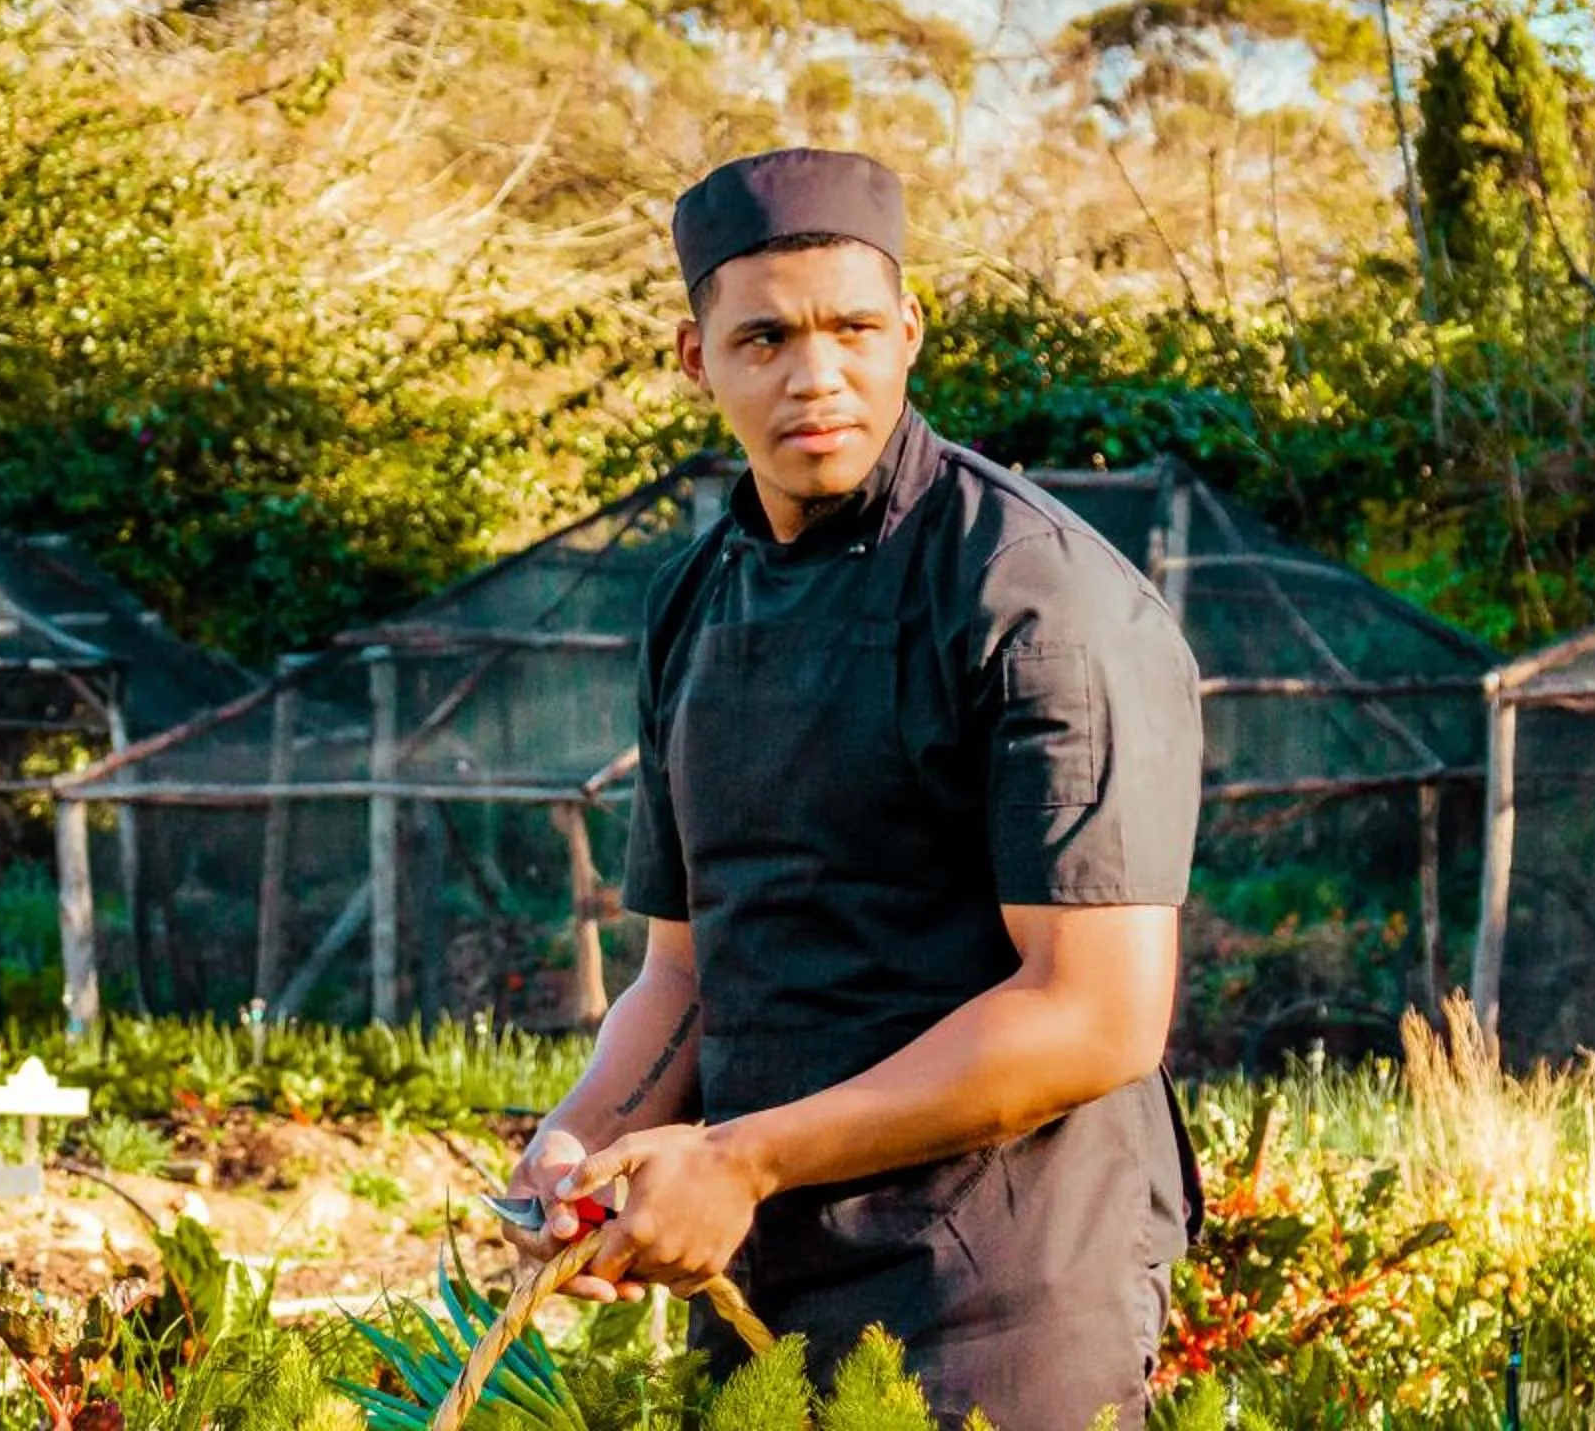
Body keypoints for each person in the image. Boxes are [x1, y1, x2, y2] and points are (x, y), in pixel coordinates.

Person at [507, 148, 1203, 1428]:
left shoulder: (1037, 596)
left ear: (911, 331)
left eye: (854, 329)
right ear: (697, 357)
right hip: (761, 1272)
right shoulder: (694, 601)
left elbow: (1098, 1012)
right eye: (765, 337)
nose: (816, 374)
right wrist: (579, 1145)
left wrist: (743, 1154)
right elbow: (685, 972)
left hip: (1005, 1291)